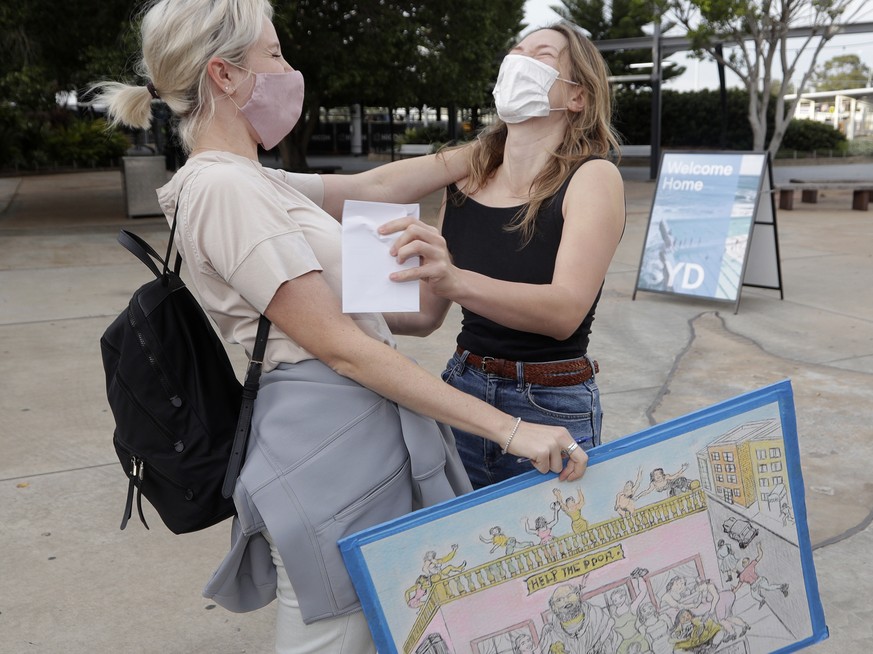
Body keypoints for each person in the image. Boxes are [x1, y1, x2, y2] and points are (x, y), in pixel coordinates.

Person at [94, 1, 589, 652]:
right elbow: (344, 350)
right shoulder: (227, 190)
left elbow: (378, 188)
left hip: (342, 441)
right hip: (326, 447)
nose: (288, 69)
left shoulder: (250, 181)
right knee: (331, 634)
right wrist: (511, 428)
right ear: (224, 74)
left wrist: (492, 149)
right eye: (273, 55)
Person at [380, 22, 626, 488]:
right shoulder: (467, 180)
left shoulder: (593, 178)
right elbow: (427, 315)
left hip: (550, 403)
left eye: (543, 56)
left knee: (549, 556)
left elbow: (564, 312)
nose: (520, 62)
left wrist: (454, 279)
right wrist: (341, 308)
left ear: (578, 97)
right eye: (516, 51)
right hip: (462, 391)